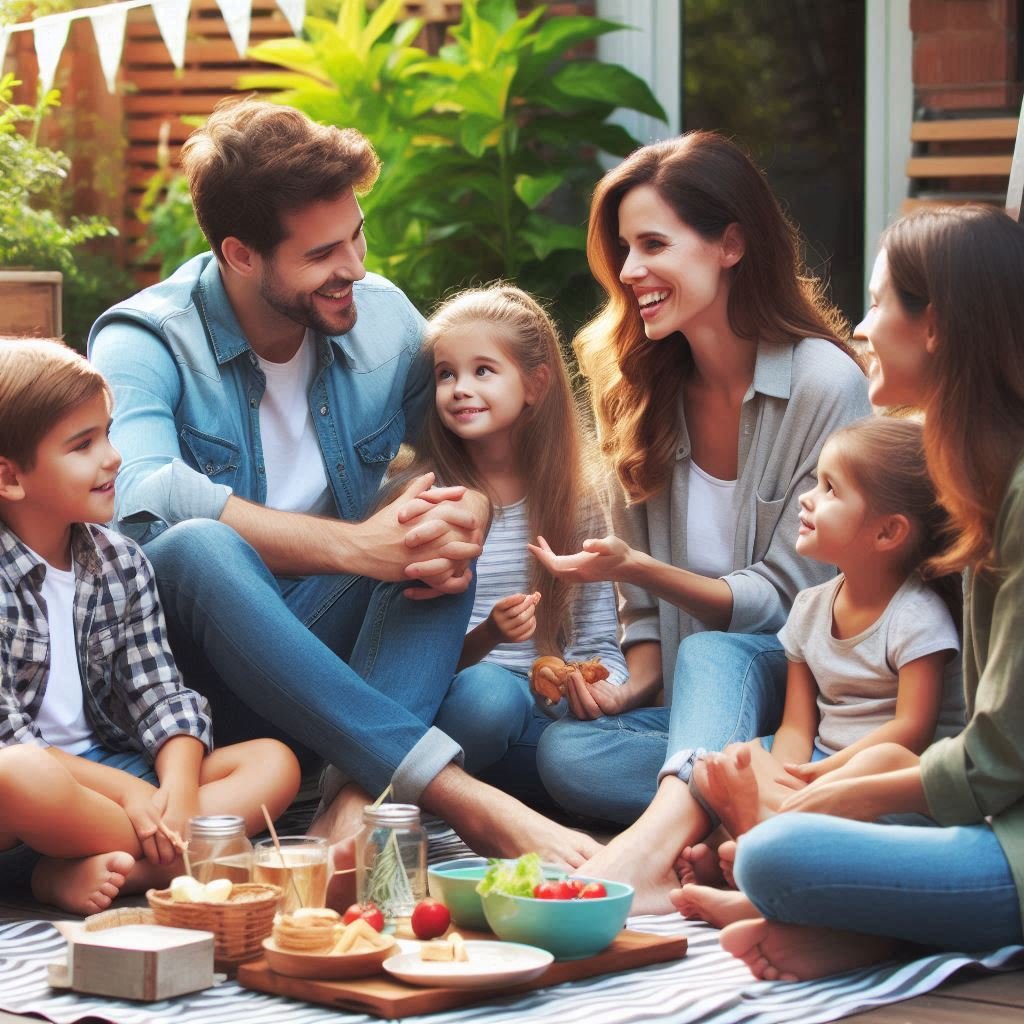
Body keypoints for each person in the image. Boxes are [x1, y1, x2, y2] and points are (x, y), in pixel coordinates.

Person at [88, 97, 599, 872]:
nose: (354, 268)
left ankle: (346, 812)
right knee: (197, 546)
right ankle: (462, 799)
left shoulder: (382, 319)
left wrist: (467, 508)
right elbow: (141, 493)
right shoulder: (146, 337)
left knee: (431, 546)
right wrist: (357, 547)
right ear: (241, 253)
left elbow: (469, 454)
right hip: (194, 699)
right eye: (324, 253)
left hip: (325, 669)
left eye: (357, 235)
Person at [529, 130, 871, 910]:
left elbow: (796, 600)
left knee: (719, 652)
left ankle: (646, 856)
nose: (629, 271)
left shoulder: (824, 382)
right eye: (623, 249)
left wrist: (639, 567)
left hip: (801, 701)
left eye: (653, 244)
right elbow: (640, 614)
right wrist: (631, 683)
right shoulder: (635, 383)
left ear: (730, 244)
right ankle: (731, 806)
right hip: (697, 715)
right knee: (563, 753)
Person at [719, 205, 1024, 981]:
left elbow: (992, 763)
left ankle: (879, 930)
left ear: (937, 326)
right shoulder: (989, 488)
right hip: (991, 821)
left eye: (882, 301)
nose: (860, 324)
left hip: (1009, 841)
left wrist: (813, 804)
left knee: (776, 853)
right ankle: (876, 930)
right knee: (778, 839)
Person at [0, 339, 300, 914]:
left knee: (272, 762)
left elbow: (161, 693)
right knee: (17, 777)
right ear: (11, 479)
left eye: (107, 433)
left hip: (113, 773)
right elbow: (11, 740)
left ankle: (107, 864)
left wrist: (179, 793)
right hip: (28, 803)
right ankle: (185, 855)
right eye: (83, 445)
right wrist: (135, 796)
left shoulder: (121, 561)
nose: (113, 457)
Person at [673, 415, 964, 928]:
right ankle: (760, 846)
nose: (807, 498)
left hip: (884, 778)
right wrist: (788, 773)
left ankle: (754, 846)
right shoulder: (809, 608)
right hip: (817, 767)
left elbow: (911, 730)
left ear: (888, 531)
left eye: (830, 489)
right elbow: (796, 726)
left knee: (886, 756)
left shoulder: (916, 615)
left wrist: (823, 775)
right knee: (729, 759)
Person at [389, 284, 627, 804]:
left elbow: (597, 641)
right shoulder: (422, 496)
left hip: (544, 714)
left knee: (574, 747)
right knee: (489, 698)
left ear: (535, 383)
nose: (459, 388)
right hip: (455, 700)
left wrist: (602, 690)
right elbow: (404, 660)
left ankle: (474, 789)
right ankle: (430, 795)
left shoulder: (577, 498)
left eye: (483, 371)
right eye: (446, 373)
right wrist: (490, 635)